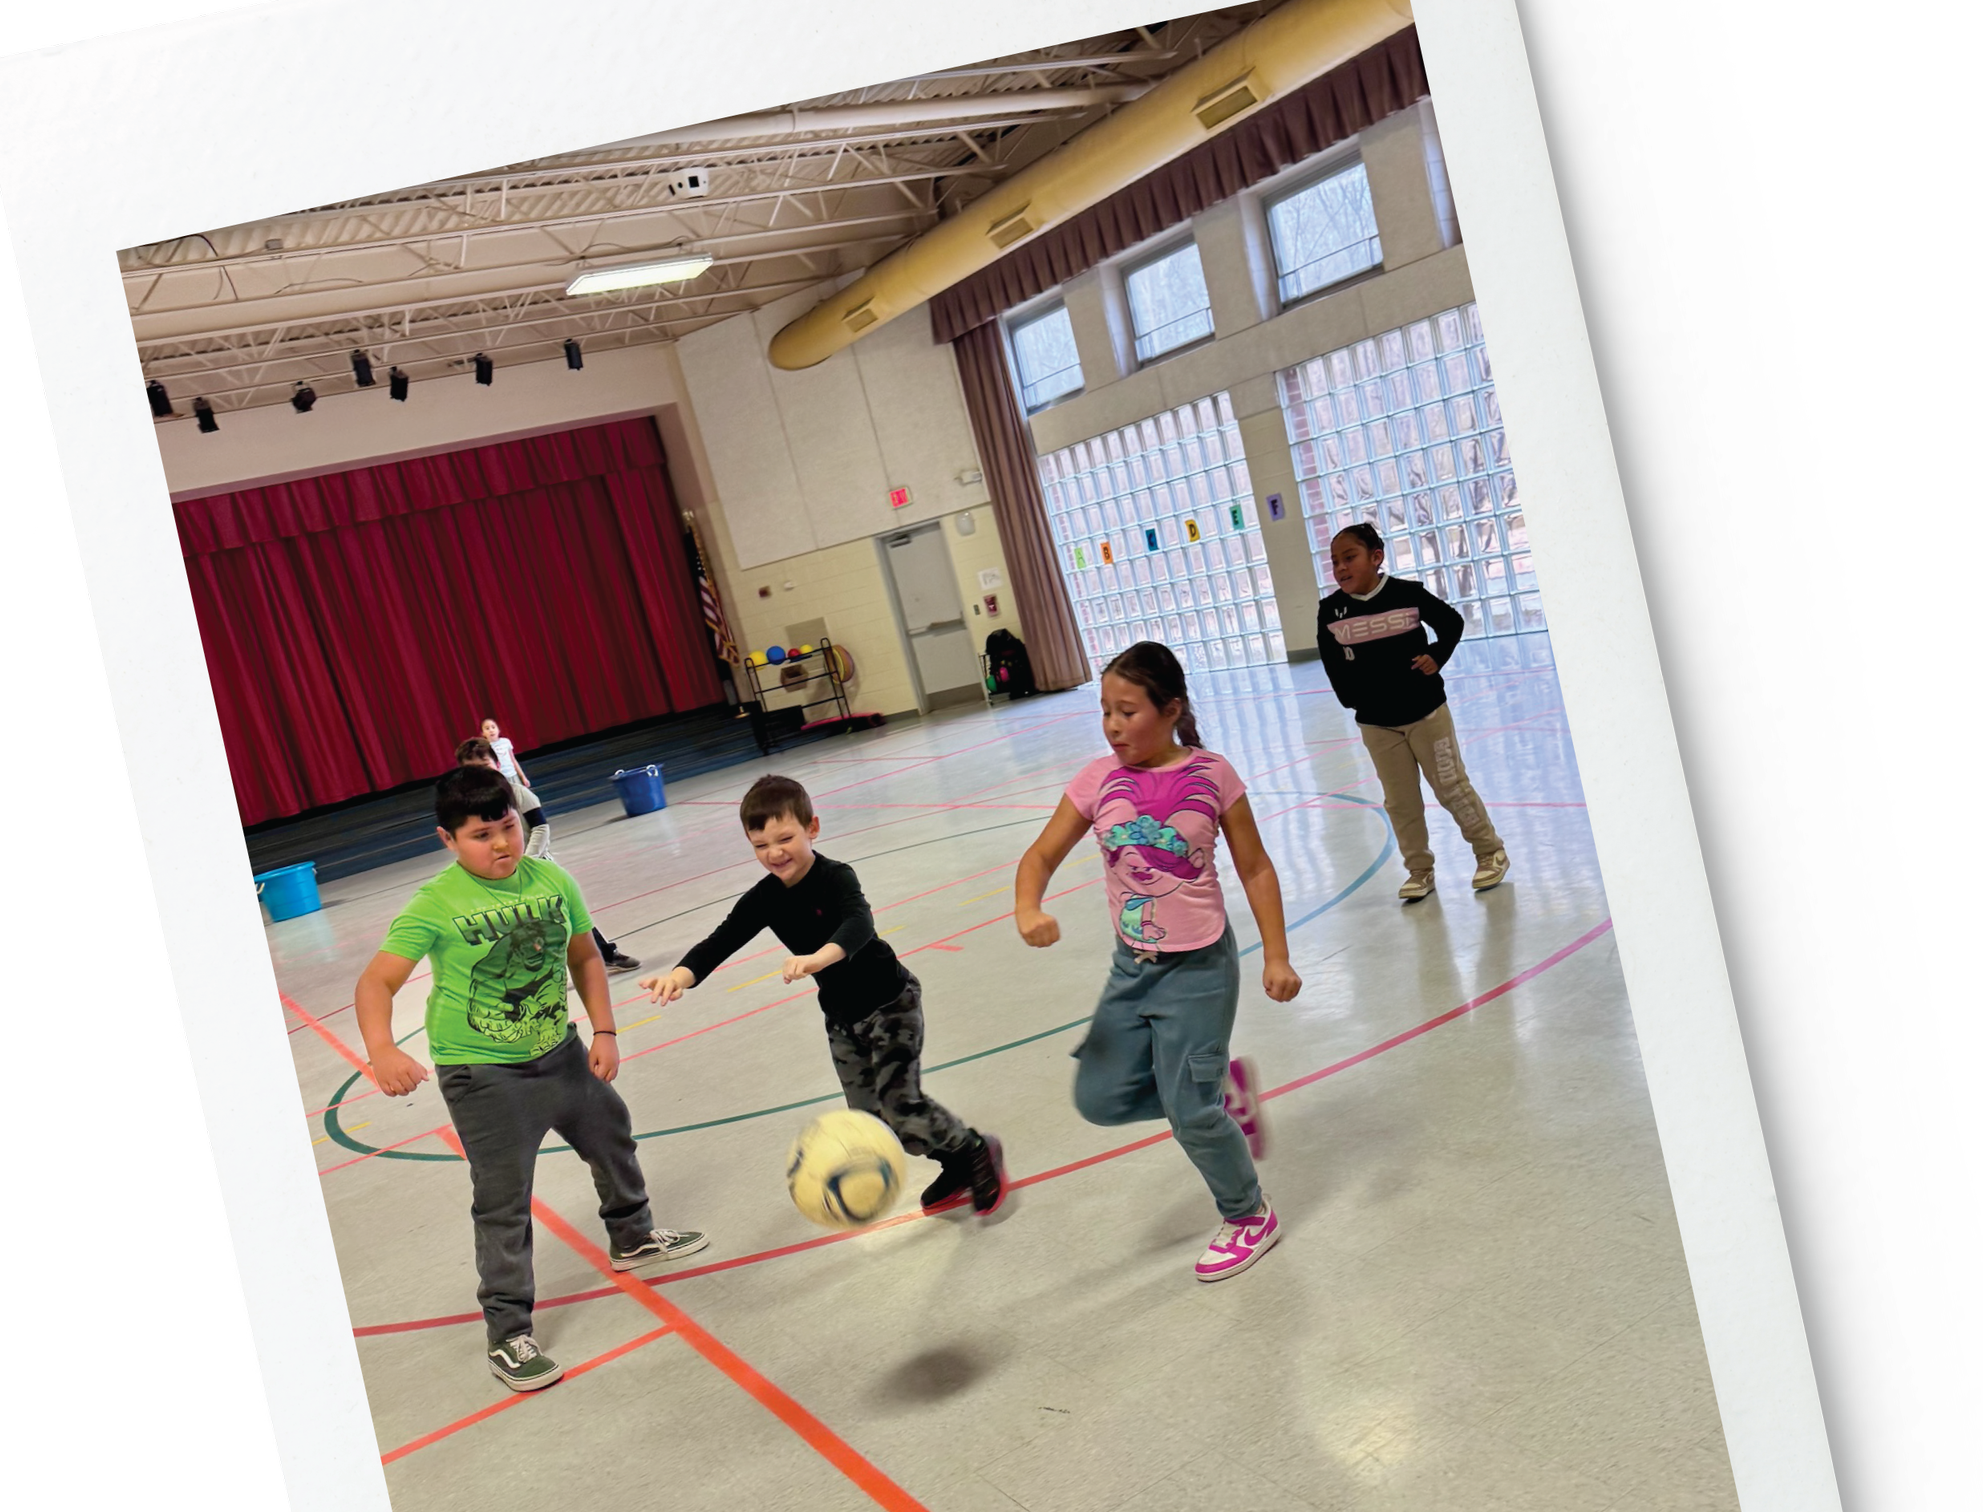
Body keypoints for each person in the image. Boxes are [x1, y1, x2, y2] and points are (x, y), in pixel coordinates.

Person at [355, 760, 706, 1394]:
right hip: (483, 1074)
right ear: (448, 840)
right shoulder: (436, 904)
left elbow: (584, 955)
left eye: (508, 827)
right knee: (504, 1202)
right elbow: (376, 981)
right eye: (480, 835)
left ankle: (633, 1237)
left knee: (611, 1134)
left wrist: (604, 1030)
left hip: (561, 1051)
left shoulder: (553, 880)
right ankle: (508, 1332)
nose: (500, 845)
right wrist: (381, 1049)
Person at [1013, 641, 1298, 1285]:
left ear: (1170, 710)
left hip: (1199, 969)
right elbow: (1038, 857)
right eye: (1105, 712)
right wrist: (1029, 908)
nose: (1113, 726)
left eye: (1127, 711)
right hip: (1132, 966)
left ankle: (1249, 1213)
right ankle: (1215, 1099)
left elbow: (1254, 867)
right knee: (1099, 1097)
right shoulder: (1097, 781)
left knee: (1189, 1113)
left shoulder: (1213, 775)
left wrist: (1275, 955)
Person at [644, 773, 1009, 1222]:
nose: (774, 853)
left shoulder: (836, 877)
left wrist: (819, 958)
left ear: (812, 828)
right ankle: (950, 1161)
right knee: (873, 1125)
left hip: (890, 1004)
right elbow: (723, 938)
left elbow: (859, 924)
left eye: (785, 838)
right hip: (841, 1019)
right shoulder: (765, 898)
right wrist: (681, 976)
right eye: (760, 845)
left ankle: (974, 1149)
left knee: (901, 1103)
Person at [1314, 524, 1509, 903]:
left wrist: (1437, 656)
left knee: (1451, 787)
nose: (1340, 568)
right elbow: (1331, 661)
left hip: (1426, 714)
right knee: (1400, 801)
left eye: (1349, 557)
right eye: (1334, 561)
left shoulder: (1407, 594)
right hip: (1377, 724)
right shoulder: (1330, 610)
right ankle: (1419, 870)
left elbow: (1451, 623)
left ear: (1376, 557)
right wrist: (1352, 699)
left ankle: (1489, 852)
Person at [460, 730, 639, 974]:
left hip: (537, 867)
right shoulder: (472, 807)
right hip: (504, 876)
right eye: (473, 769)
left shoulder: (518, 794)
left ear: (497, 763)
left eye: (484, 765)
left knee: (569, 913)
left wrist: (527, 861)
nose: (480, 773)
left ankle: (606, 954)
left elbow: (540, 827)